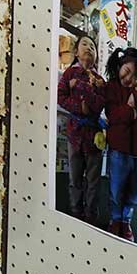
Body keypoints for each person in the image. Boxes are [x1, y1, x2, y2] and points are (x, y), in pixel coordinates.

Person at [102, 46, 137, 242]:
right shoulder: (111, 87)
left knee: (134, 192)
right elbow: (112, 115)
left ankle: (126, 221)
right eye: (126, 71)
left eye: (133, 75)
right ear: (120, 65)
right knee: (116, 190)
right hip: (118, 150)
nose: (127, 78)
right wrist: (131, 111)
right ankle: (115, 220)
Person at [56, 35, 106, 224]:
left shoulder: (100, 81)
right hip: (74, 134)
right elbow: (60, 96)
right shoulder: (69, 73)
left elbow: (101, 104)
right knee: (75, 178)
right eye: (85, 44)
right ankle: (76, 211)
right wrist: (79, 107)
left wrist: (86, 95)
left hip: (94, 136)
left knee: (93, 180)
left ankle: (91, 214)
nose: (89, 48)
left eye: (93, 46)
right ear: (76, 52)